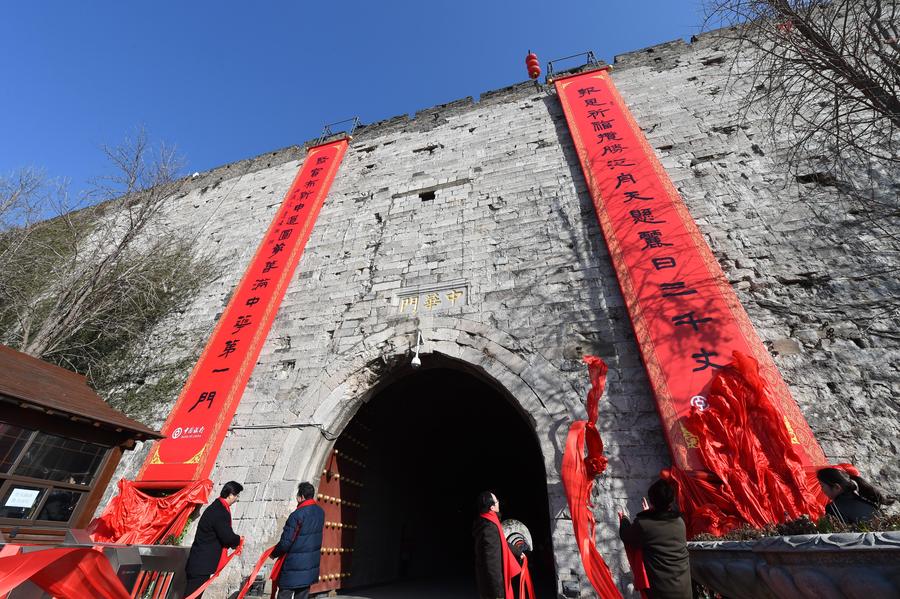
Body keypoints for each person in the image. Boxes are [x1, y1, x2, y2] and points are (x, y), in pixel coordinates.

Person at [618, 479, 691, 599]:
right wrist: (650, 513)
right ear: (671, 501)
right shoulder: (680, 522)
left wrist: (624, 518)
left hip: (661, 592)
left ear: (652, 501)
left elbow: (626, 535)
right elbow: (660, 532)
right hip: (684, 590)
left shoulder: (643, 525)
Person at [184, 481, 244, 598]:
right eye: (236, 496)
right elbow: (227, 537)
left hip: (199, 562)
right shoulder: (220, 511)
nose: (237, 499)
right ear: (230, 495)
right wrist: (238, 540)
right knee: (192, 596)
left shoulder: (216, 507)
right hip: (201, 564)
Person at [270, 482, 325, 599]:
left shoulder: (297, 514)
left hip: (293, 564)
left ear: (302, 497)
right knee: (302, 595)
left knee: (284, 595)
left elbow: (286, 542)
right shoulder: (320, 513)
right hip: (310, 564)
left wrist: (274, 553)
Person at [472, 491, 523, 599]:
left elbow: (501, 542)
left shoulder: (486, 521)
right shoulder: (489, 528)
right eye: (497, 501)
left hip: (488, 582)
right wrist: (499, 593)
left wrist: (518, 552)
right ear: (492, 507)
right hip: (493, 587)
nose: (498, 502)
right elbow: (492, 563)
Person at [816, 466, 894, 524]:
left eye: (822, 486)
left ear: (837, 487)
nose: (822, 490)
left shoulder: (834, 508)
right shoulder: (869, 502)